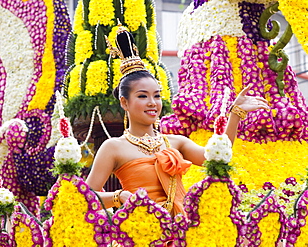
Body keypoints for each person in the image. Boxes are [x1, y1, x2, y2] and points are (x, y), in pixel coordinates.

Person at [85, 26, 269, 217]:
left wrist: (235, 114)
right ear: (124, 102)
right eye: (142, 96)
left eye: (156, 96)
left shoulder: (175, 142)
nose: (152, 103)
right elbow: (85, 195)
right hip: (140, 233)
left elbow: (218, 155)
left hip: (181, 230)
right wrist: (119, 196)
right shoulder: (113, 147)